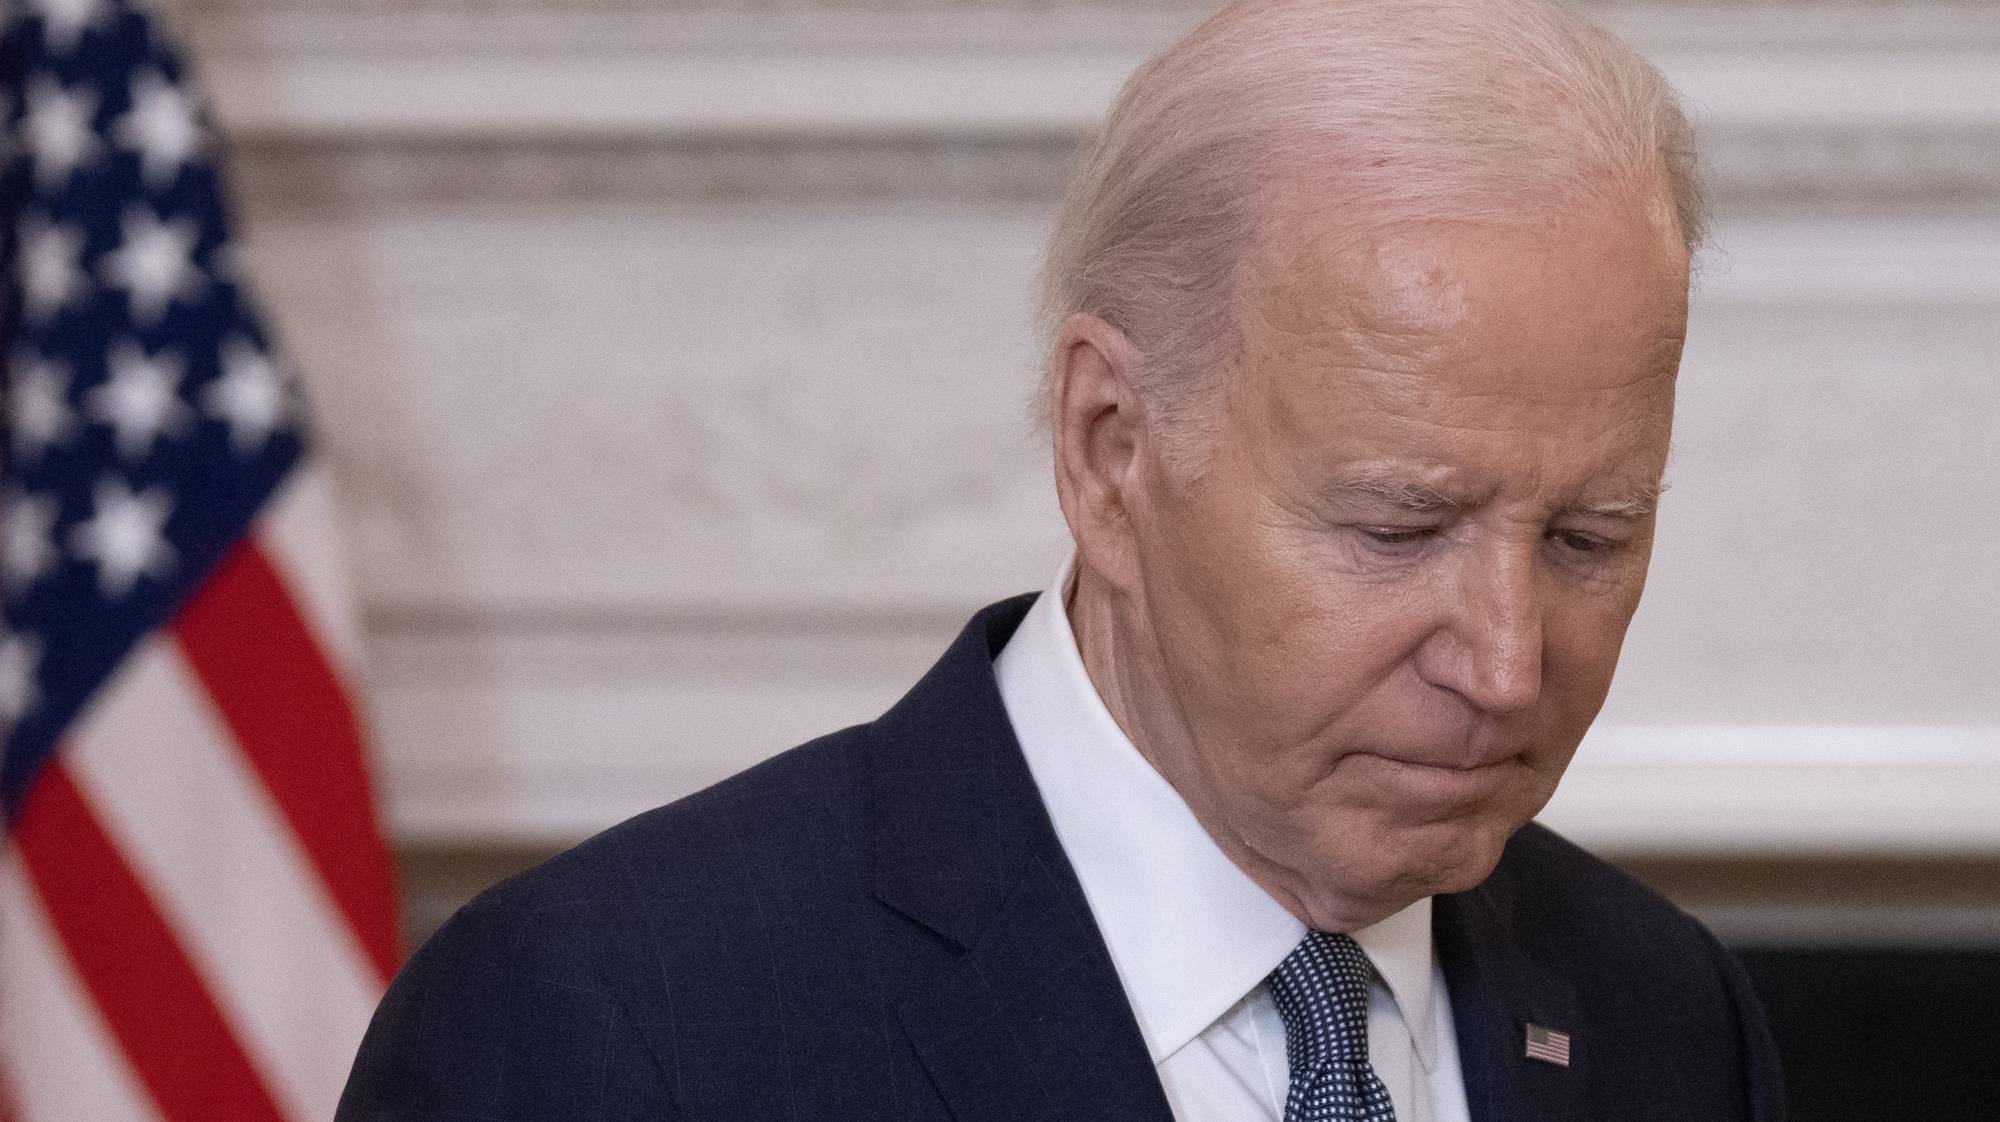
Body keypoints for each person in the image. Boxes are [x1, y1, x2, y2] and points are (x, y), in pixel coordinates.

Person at [337, 0, 1785, 1118]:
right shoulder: (615, 1022)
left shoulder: (1665, 1014)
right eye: (1397, 528)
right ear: (1110, 451)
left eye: (1591, 536)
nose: (1508, 661)